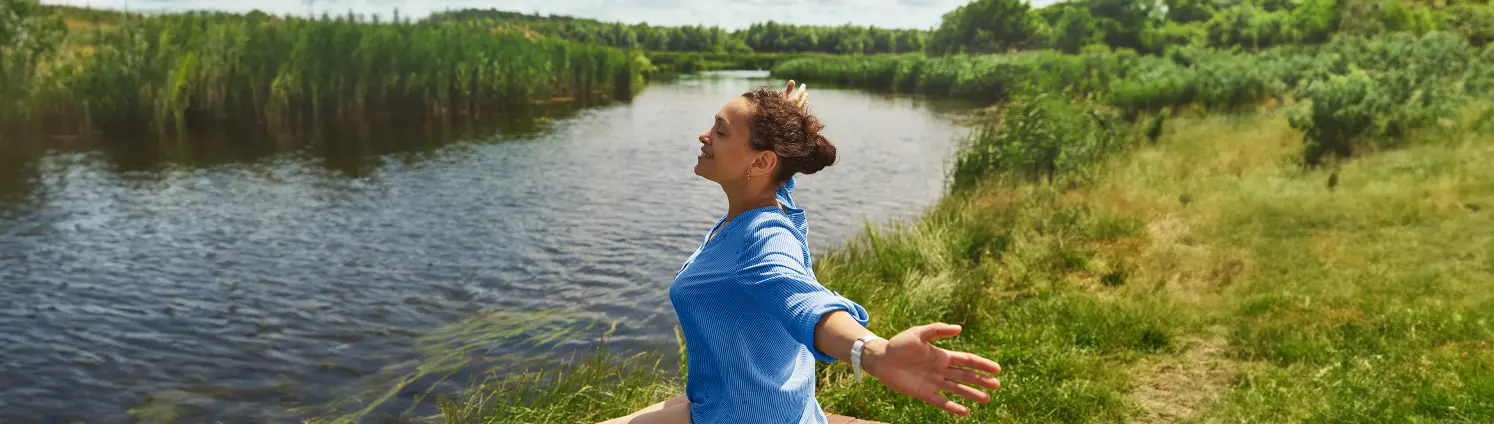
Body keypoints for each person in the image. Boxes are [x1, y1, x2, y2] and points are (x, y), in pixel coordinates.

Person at [600, 81, 1002, 424]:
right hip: (748, 404)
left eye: (720, 132)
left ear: (760, 161)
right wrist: (786, 123)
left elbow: (807, 302)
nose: (704, 136)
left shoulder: (764, 239)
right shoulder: (770, 203)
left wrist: (872, 352)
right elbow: (782, 180)